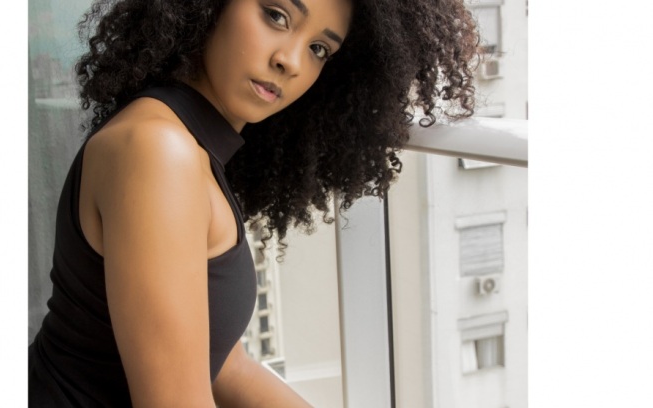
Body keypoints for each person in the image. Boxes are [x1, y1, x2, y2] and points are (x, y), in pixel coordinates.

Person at [28, 0, 480, 406]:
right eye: (276, 16)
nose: (291, 61)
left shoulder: (191, 144)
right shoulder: (159, 151)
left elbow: (226, 367)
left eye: (319, 49)